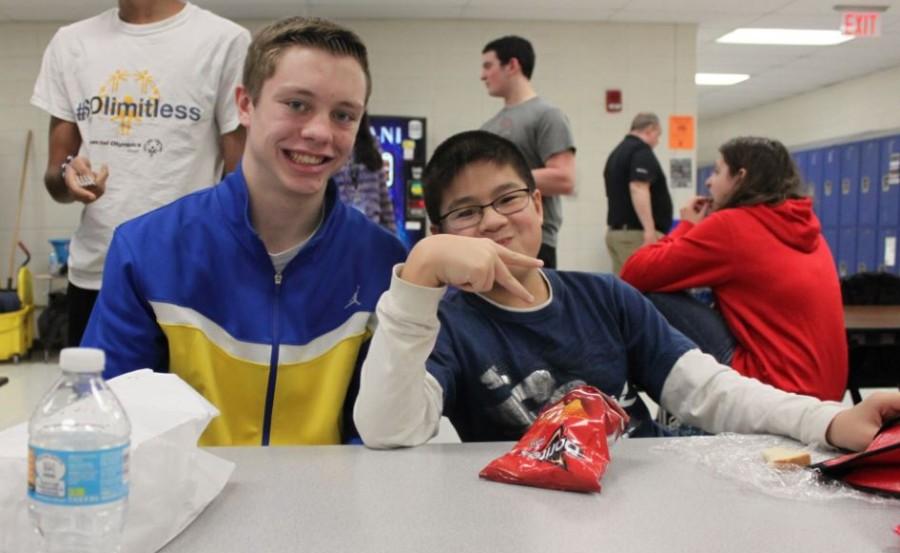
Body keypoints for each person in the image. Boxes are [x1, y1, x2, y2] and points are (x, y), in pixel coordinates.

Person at [353, 130, 898, 451]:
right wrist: (417, 278)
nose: (493, 222)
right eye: (467, 212)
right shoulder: (446, 323)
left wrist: (826, 420)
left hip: (639, 517)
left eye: (508, 199)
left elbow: (709, 391)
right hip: (517, 529)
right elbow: (386, 430)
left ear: (539, 207)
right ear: (442, 233)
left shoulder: (604, 298)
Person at [82, 17, 407, 446]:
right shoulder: (147, 250)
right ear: (245, 105)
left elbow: (375, 428)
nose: (319, 132)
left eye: (343, 114)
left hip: (332, 505)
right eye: (297, 104)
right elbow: (108, 419)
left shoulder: (381, 261)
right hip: (188, 502)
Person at [31, 0, 251, 346]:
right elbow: (55, 179)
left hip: (188, 277)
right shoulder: (70, 43)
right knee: (96, 401)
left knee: (186, 403)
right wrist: (69, 177)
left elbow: (242, 185)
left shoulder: (225, 42)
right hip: (96, 273)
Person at [620, 136, 847, 402]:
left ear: (740, 177)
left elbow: (634, 273)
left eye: (717, 171)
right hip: (827, 392)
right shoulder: (807, 225)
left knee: (652, 294)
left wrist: (686, 226)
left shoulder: (731, 225)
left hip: (772, 384)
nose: (708, 181)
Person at [480, 35, 575, 269]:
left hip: (533, 239)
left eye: (488, 66)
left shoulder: (547, 115)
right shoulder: (488, 127)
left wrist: (498, 181)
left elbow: (564, 179)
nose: (482, 75)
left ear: (512, 65)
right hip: (492, 239)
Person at [603, 113, 673, 275]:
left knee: (624, 291)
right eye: (658, 135)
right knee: (641, 289)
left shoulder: (616, 154)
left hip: (618, 233)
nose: (658, 141)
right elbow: (638, 187)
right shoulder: (641, 151)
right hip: (636, 235)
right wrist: (649, 231)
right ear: (650, 129)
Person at [333, 113, 396, 234]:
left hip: (371, 227)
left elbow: (384, 197)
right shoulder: (331, 146)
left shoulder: (372, 144)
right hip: (340, 228)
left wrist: (392, 235)